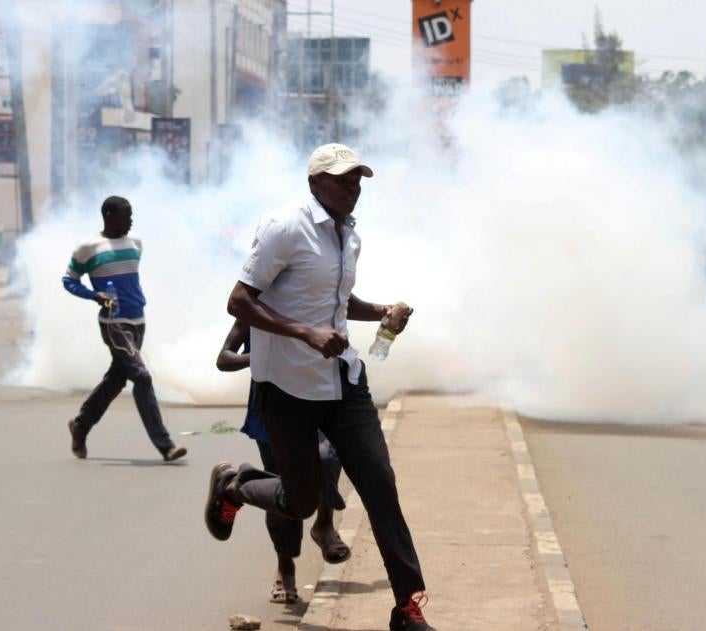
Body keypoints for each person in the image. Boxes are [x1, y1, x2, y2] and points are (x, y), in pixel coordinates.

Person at [204, 143, 433, 631]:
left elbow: (335, 300)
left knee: (381, 485)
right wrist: (304, 333)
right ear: (315, 183)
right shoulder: (284, 227)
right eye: (342, 181)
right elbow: (239, 302)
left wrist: (380, 313)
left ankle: (407, 608)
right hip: (287, 387)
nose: (352, 190)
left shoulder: (349, 236)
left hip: (344, 381)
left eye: (357, 182)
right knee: (301, 502)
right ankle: (235, 485)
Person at [217, 319, 351, 604]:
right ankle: (285, 566)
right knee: (283, 484)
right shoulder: (256, 306)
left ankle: (324, 525)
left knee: (327, 457)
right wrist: (261, 358)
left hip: (317, 397)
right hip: (272, 407)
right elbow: (224, 359)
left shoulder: (315, 296)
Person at [62, 196, 186, 462]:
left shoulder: (135, 243)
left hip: (138, 320)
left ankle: (80, 425)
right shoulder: (89, 247)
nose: (131, 219)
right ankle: (165, 445)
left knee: (116, 380)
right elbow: (69, 280)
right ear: (109, 215)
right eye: (126, 214)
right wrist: (94, 295)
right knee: (141, 376)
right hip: (113, 322)